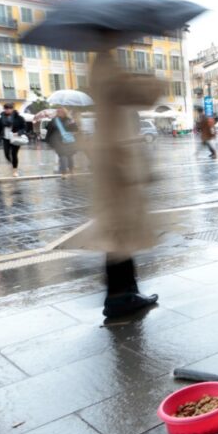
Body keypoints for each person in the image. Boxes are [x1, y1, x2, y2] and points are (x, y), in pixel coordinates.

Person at [89, 45, 165, 318]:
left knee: (119, 235)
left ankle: (124, 292)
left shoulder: (102, 61)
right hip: (118, 163)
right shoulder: (107, 66)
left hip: (114, 161)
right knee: (121, 234)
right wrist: (151, 78)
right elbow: (143, 95)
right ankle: (121, 296)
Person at [44, 107, 78, 176]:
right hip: (66, 141)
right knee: (67, 156)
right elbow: (75, 129)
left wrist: (51, 118)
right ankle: (69, 171)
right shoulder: (69, 120)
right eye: (58, 112)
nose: (59, 113)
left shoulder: (55, 120)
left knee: (65, 156)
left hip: (61, 141)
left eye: (59, 112)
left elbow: (47, 128)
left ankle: (65, 173)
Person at [0, 103, 27, 177]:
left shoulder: (19, 118)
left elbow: (24, 128)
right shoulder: (1, 118)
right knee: (6, 154)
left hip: (15, 138)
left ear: (12, 109)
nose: (7, 110)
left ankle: (15, 170)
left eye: (9, 108)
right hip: (6, 138)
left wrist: (18, 133)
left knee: (14, 154)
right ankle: (13, 163)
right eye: (6, 109)